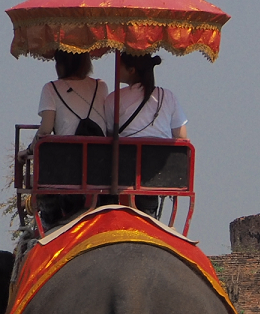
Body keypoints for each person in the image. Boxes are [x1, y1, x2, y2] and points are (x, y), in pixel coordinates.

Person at [31, 50, 108, 230]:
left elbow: (45, 130)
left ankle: (50, 221)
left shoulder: (51, 88)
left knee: (44, 170)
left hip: (67, 165)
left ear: (60, 64)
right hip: (100, 163)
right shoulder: (101, 86)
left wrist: (28, 149)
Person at [106, 52, 187, 217]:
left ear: (131, 70)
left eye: (119, 65)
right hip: (160, 173)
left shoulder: (114, 99)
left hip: (124, 172)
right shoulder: (168, 96)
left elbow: (108, 134)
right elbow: (182, 137)